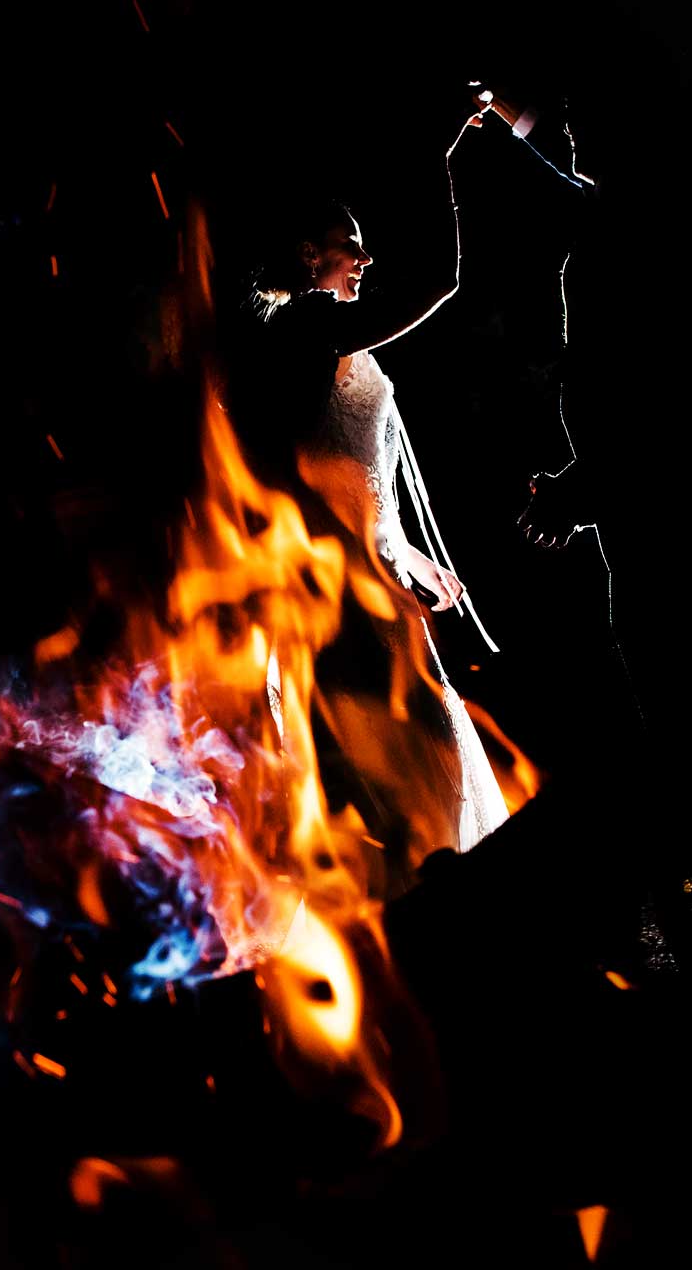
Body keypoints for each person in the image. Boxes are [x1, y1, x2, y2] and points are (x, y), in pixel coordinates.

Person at [220, 104, 524, 858]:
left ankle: (430, 907)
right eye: (349, 249)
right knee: (399, 753)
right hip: (345, 584)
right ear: (307, 254)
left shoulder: (311, 335)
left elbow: (343, 465)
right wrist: (440, 155)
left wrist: (406, 550)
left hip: (374, 566)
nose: (364, 261)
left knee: (410, 748)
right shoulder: (304, 330)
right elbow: (443, 280)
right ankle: (431, 911)